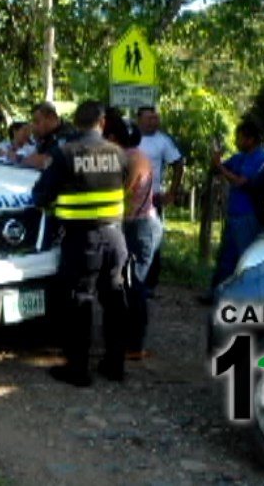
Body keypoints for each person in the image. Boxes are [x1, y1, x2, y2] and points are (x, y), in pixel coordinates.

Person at [32, 100, 130, 387]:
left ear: (76, 122)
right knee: (114, 299)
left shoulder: (65, 153)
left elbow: (41, 195)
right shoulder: (119, 153)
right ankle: (115, 365)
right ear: (102, 123)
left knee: (79, 301)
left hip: (82, 240)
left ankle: (78, 369)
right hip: (115, 238)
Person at [103, 112, 162, 360]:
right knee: (130, 284)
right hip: (139, 225)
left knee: (135, 285)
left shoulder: (132, 159)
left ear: (115, 138)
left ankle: (134, 344)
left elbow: (123, 194)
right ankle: (130, 340)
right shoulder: (133, 156)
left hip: (141, 227)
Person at [198, 118, 264, 305]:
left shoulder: (260, 158)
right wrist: (216, 161)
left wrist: (220, 167)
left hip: (248, 215)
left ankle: (247, 299)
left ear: (250, 139)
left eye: (239, 138)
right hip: (233, 214)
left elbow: (241, 182)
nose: (236, 142)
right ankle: (216, 294)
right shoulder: (240, 157)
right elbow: (217, 170)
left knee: (246, 258)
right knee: (225, 258)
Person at [136, 105, 184, 294]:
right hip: (130, 198)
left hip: (153, 198)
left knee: (152, 240)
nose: (153, 122)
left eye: (155, 118)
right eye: (149, 118)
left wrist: (172, 192)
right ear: (139, 120)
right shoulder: (131, 138)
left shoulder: (163, 141)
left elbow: (178, 164)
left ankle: (149, 283)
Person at [22, 101, 78, 170]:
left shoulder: (67, 133)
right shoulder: (46, 136)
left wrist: (21, 158)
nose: (33, 126)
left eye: (37, 122)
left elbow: (49, 161)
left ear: (51, 118)